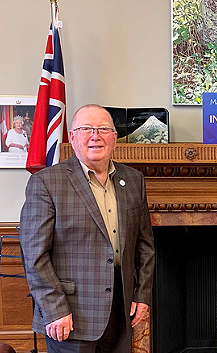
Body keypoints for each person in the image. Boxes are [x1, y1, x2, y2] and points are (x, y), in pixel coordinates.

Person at [20, 104, 155, 353]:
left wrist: (143, 295)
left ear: (114, 137)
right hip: (70, 315)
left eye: (104, 129)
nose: (96, 135)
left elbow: (145, 246)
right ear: (72, 136)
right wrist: (54, 309)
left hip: (121, 308)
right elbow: (34, 256)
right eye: (86, 129)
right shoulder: (46, 183)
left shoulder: (134, 180)